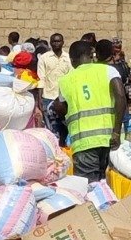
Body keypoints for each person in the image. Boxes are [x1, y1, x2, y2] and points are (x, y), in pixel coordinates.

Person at [52, 38, 122, 183]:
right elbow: (121, 97)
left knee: (89, 189)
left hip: (84, 143)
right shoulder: (108, 70)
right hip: (110, 139)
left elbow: (62, 108)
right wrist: (116, 132)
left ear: (71, 60)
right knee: (109, 184)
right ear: (92, 55)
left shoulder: (65, 81)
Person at [37, 32, 72, 144]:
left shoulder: (68, 58)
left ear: (63, 42)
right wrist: (40, 100)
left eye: (58, 41)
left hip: (64, 99)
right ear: (50, 43)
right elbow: (41, 79)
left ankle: (64, 152)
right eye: (54, 41)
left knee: (65, 129)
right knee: (52, 131)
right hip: (48, 98)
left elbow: (72, 76)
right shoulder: (44, 58)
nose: (56, 43)